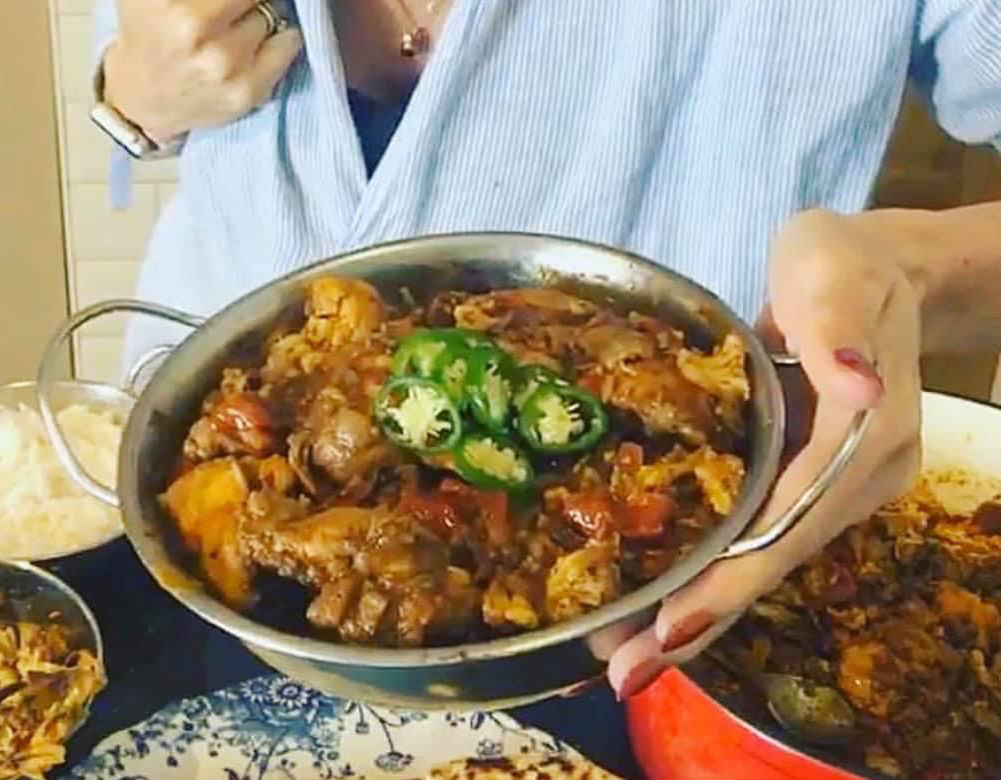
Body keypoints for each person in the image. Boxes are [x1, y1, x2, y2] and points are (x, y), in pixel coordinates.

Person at [91, 0, 1001, 698]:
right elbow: (142, 76)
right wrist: (130, 93)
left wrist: (910, 273)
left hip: (668, 617)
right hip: (197, 547)